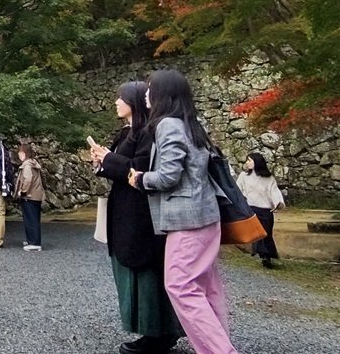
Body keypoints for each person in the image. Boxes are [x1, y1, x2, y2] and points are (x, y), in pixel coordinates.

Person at [128, 69, 239, 354]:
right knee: (207, 288)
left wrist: (140, 178)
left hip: (187, 220)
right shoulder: (191, 124)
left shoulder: (168, 125)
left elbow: (168, 176)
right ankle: (219, 346)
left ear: (164, 93)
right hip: (206, 217)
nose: (146, 94)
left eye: (150, 89)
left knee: (180, 286)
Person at [90, 81, 183, 354]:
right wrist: (101, 164)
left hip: (142, 214)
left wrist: (109, 159)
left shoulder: (148, 133)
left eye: (120, 98)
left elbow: (139, 170)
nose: (115, 103)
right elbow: (119, 169)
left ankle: (158, 333)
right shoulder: (125, 133)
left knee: (146, 270)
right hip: (124, 211)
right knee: (132, 269)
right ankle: (152, 330)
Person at [237, 152, 285, 268]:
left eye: (249, 160)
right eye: (247, 160)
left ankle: (267, 256)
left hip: (265, 211)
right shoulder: (243, 177)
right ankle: (264, 256)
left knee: (266, 234)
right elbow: (238, 190)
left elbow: (274, 192)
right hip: (251, 210)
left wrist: (277, 202)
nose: (247, 163)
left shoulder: (269, 179)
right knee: (258, 234)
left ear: (256, 162)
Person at [15, 142, 44, 251]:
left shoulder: (27, 165)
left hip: (29, 196)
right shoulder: (34, 163)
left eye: (19, 153)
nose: (18, 155)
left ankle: (34, 242)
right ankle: (33, 240)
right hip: (37, 195)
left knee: (30, 219)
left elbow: (28, 179)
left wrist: (22, 192)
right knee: (35, 219)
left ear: (23, 153)